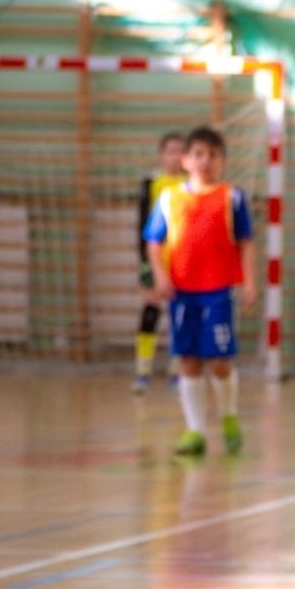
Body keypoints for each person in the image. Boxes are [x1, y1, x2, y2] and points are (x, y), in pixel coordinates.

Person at [143, 126, 257, 456]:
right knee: (188, 360)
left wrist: (249, 281)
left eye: (213, 155)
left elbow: (246, 243)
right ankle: (194, 431)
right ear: (185, 160)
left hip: (218, 291)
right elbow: (153, 243)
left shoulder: (232, 198)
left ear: (222, 161)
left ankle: (228, 417)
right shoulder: (169, 198)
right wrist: (160, 277)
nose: (205, 160)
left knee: (219, 361)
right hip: (182, 292)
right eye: (198, 154)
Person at [133, 132, 186, 393]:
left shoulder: (192, 185)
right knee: (151, 309)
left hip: (183, 259)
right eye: (169, 151)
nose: (174, 156)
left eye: (179, 151)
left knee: (181, 313)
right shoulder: (152, 183)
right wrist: (144, 260)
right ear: (161, 155)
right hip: (155, 257)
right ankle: (143, 370)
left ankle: (176, 370)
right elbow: (142, 223)